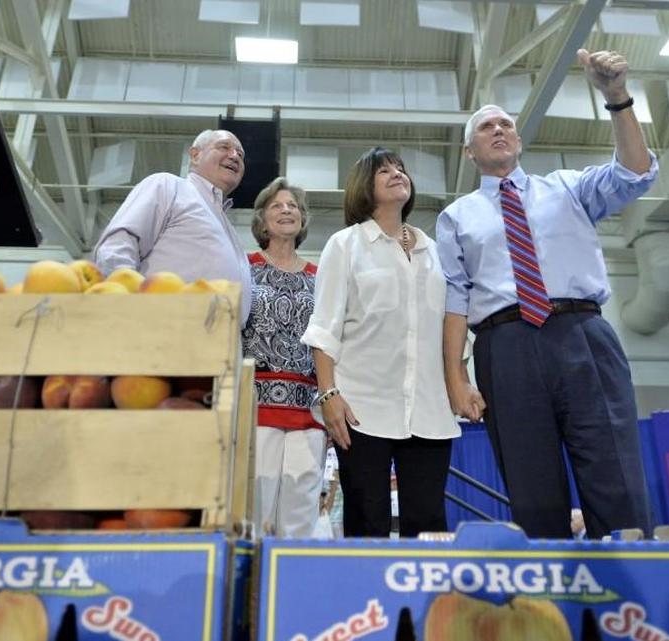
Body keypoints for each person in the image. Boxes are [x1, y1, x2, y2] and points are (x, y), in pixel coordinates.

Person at [436, 49, 656, 540]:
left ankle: (629, 602)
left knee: (615, 478)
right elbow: (454, 299)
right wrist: (455, 377)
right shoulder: (457, 217)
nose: (497, 129)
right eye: (485, 126)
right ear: (469, 152)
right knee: (532, 491)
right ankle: (549, 606)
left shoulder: (568, 188)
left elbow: (635, 173)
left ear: (517, 140)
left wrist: (617, 98)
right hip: (505, 346)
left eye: (505, 124)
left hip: (584, 335)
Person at [302, 147, 459, 538]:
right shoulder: (345, 244)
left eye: (401, 169)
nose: (396, 174)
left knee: (429, 525)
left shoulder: (434, 252)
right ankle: (365, 598)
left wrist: (460, 381)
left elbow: (449, 326)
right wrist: (329, 395)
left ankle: (425, 599)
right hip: (362, 406)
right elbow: (324, 327)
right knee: (366, 519)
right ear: (363, 186)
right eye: (384, 170)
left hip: (429, 409)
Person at [92, 129, 253, 322]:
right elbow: (117, 248)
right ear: (195, 155)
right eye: (224, 147)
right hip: (160, 330)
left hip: (220, 343)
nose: (234, 156)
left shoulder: (228, 227)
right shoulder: (168, 186)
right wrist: (127, 312)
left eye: (240, 154)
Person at [241, 177, 324, 537]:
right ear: (261, 221)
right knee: (254, 515)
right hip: (255, 408)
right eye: (277, 205)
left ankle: (293, 588)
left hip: (308, 410)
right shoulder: (243, 268)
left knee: (300, 516)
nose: (286, 210)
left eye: (293, 206)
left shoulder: (321, 278)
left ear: (303, 220)